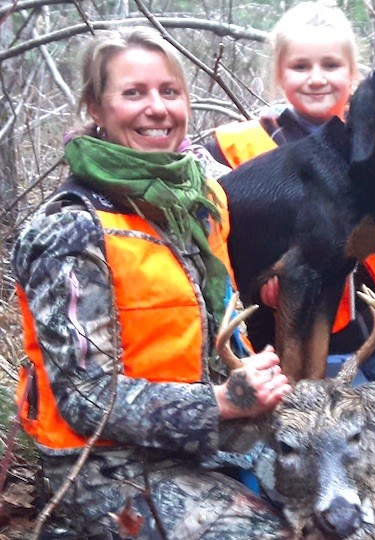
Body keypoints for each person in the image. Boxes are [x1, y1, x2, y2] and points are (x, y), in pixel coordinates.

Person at [12, 26, 293, 537]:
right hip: (108, 466)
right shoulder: (70, 229)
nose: (157, 108)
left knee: (354, 501)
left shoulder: (198, 200)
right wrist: (222, 403)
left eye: (169, 91)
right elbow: (87, 399)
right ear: (96, 108)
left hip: (217, 435)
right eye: (133, 93)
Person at [205, 1, 375, 434]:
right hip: (276, 339)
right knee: (359, 439)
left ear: (352, 79)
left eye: (331, 65)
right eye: (301, 66)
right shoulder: (226, 149)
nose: (316, 77)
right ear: (279, 74)